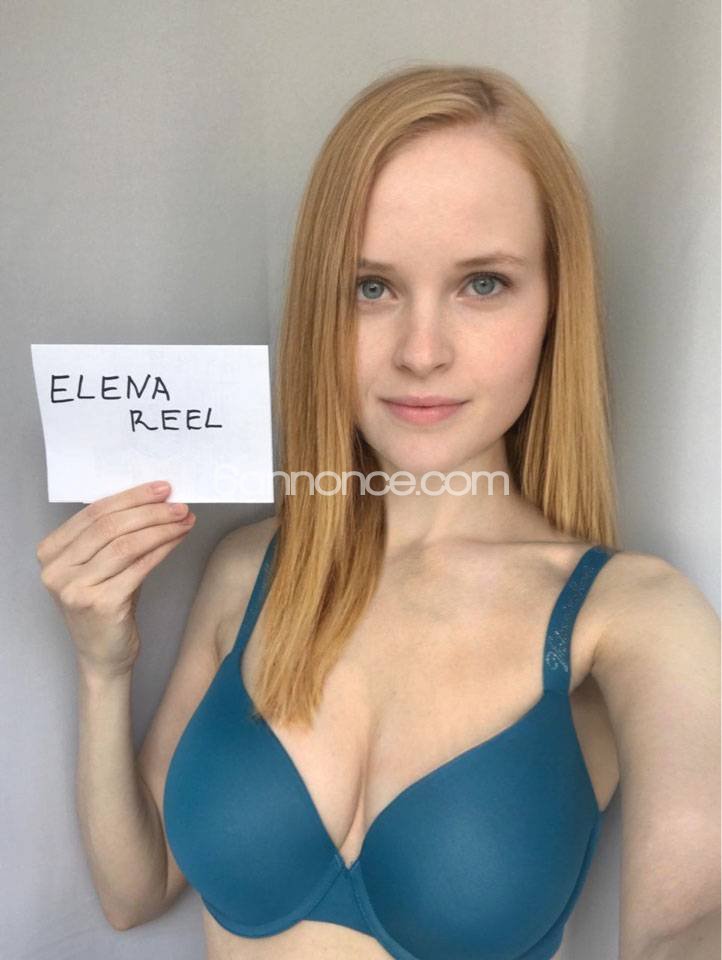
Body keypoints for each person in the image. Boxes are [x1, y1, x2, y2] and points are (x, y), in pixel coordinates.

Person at [37, 64, 720, 960]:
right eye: (372, 287)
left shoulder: (632, 618)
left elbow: (690, 920)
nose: (421, 352)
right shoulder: (249, 570)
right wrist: (102, 667)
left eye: (484, 284)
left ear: (557, 304)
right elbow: (136, 891)